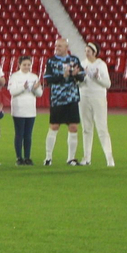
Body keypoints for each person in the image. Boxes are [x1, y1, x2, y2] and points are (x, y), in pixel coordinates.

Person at [42, 37, 85, 166]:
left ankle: (71, 158)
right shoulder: (51, 61)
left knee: (73, 127)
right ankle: (48, 157)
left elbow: (82, 76)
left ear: (67, 48)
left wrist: (76, 74)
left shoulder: (74, 60)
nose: (57, 48)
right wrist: (63, 76)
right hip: (57, 98)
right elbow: (48, 79)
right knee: (54, 126)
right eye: (56, 46)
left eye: (60, 46)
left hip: (72, 98)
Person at [79, 41, 114, 167]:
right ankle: (87, 157)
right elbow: (79, 83)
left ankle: (109, 158)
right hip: (84, 97)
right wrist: (79, 79)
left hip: (98, 97)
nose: (86, 53)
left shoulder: (101, 64)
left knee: (102, 128)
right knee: (86, 128)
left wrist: (97, 77)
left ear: (94, 52)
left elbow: (108, 84)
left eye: (89, 51)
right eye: (85, 51)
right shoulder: (82, 64)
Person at [7, 56, 44, 165]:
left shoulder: (34, 76)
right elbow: (12, 92)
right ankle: (19, 157)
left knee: (28, 135)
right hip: (18, 109)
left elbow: (40, 94)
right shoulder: (14, 76)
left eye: (28, 64)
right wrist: (23, 87)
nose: (27, 67)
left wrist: (36, 88)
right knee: (19, 134)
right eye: (24, 65)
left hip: (30, 109)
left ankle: (27, 157)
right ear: (19, 65)